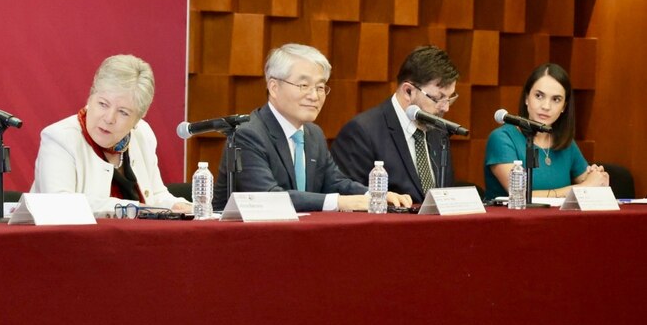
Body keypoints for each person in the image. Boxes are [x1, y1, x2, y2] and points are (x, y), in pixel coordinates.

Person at [214, 43, 412, 212]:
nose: (315, 96)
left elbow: (335, 182)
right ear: (274, 87)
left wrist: (375, 195)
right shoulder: (247, 133)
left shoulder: (313, 133)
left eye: (320, 87)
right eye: (304, 85)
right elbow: (268, 197)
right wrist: (339, 202)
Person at [31, 54, 191, 217]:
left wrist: (177, 205)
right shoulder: (59, 138)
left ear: (138, 118)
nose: (109, 118)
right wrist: (130, 208)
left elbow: (156, 195)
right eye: (103, 104)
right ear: (90, 96)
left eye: (123, 112)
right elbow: (60, 204)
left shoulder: (143, 134)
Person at [331, 46, 459, 203]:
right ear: (408, 91)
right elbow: (349, 198)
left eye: (450, 99)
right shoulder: (362, 131)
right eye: (438, 99)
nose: (445, 107)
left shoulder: (438, 130)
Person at [485, 63, 608, 199]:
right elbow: (520, 195)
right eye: (539, 96)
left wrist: (599, 178)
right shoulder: (503, 138)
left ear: (564, 107)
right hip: (511, 219)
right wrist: (584, 188)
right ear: (526, 98)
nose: (546, 106)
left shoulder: (565, 142)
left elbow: (590, 182)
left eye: (556, 99)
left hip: (558, 220)